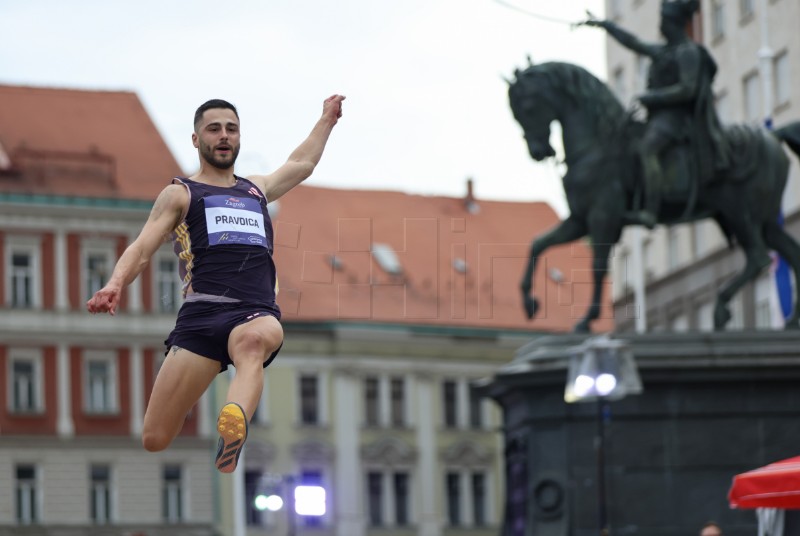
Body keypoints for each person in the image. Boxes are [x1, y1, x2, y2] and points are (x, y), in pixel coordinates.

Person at [86, 93, 345, 473]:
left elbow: (301, 163)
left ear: (239, 137)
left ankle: (233, 423)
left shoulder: (255, 190)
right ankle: (227, 416)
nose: (224, 136)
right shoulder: (182, 194)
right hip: (201, 317)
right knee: (155, 437)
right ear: (196, 139)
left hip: (254, 311)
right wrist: (115, 283)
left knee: (253, 343)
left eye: (231, 129)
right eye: (214, 129)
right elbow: (142, 247)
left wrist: (327, 120)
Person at [582, 0, 729, 229]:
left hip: (677, 119)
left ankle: (650, 210)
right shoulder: (664, 50)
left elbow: (688, 89)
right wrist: (605, 25)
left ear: (674, 23)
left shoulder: (687, 52)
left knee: (647, 148)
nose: (660, 25)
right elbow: (634, 42)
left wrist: (652, 97)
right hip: (659, 118)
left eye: (663, 21)